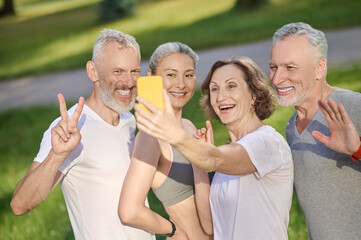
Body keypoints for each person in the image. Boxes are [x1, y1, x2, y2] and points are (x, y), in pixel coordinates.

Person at [10, 28, 155, 240]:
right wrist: (57, 155)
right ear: (93, 71)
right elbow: (20, 205)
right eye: (118, 71)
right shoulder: (71, 127)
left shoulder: (129, 120)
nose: (129, 82)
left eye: (134, 71)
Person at [133, 56, 294, 239]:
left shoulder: (267, 142)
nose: (221, 96)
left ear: (254, 95)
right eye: (214, 89)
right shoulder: (225, 161)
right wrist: (199, 162)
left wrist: (176, 135)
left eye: (231, 86)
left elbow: (215, 158)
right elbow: (210, 225)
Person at [269, 22, 361, 240]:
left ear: (319, 68)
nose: (276, 78)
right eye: (273, 67)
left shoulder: (353, 107)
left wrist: (357, 149)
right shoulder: (291, 127)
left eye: (290, 67)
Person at [118, 42, 211, 240]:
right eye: (170, 75)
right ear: (151, 77)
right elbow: (129, 211)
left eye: (188, 74)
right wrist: (172, 231)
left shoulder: (188, 126)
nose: (181, 84)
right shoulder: (151, 137)